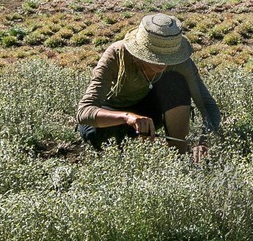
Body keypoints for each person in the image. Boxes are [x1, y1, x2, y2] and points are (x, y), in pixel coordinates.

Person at [76, 13, 220, 158]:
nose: (163, 63)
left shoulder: (181, 63)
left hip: (148, 119)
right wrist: (127, 117)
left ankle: (180, 156)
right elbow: (84, 112)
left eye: (168, 57)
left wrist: (204, 141)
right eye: (155, 57)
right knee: (95, 136)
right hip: (112, 118)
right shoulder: (117, 54)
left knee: (176, 83)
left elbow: (208, 106)